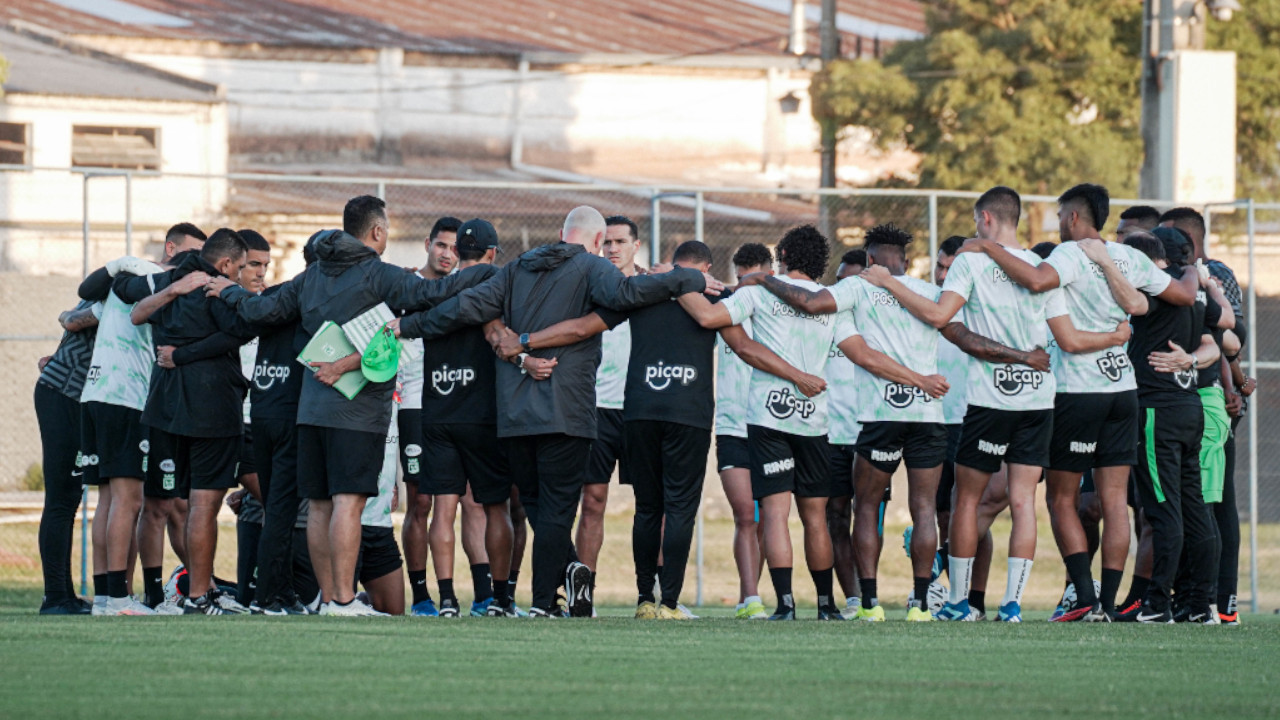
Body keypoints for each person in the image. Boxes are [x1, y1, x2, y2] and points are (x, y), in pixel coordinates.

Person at [389, 205, 717, 618]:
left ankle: (571, 574)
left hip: (514, 414)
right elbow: (628, 295)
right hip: (567, 409)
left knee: (538, 506)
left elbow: (466, 307)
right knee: (558, 509)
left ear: (563, 232)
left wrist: (410, 326)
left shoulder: (515, 268)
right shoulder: (591, 268)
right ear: (597, 241)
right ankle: (546, 602)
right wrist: (687, 277)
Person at [206, 196, 487, 616]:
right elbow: (435, 292)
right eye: (387, 229)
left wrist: (229, 292)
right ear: (376, 232)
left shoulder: (312, 274)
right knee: (348, 502)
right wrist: (485, 271)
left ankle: (326, 598)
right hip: (357, 414)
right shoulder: (380, 274)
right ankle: (341, 597)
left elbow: (264, 309)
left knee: (319, 503)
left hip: (310, 409)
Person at [958, 184, 1195, 621]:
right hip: (1123, 390)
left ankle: (1083, 596)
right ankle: (1106, 604)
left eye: (1059, 214)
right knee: (1114, 498)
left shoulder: (1067, 255)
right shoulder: (1128, 255)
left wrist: (986, 249)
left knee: (1061, 500)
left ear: (1071, 217)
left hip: (1077, 392)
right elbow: (1183, 295)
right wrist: (1194, 270)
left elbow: (1033, 280)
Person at [863, 187, 1059, 623]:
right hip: (1038, 396)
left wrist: (888, 282)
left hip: (991, 400)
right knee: (1024, 501)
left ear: (986, 218)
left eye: (976, 224)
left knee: (965, 500)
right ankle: (1012, 606)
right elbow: (1061, 333)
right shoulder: (1041, 267)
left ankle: (958, 603)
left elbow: (938, 316)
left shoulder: (972, 261)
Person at [753, 224, 952, 622]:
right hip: (928, 412)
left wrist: (764, 279)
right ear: (908, 261)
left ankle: (870, 604)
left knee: (864, 507)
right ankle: (920, 604)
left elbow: (809, 303)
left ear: (870, 260)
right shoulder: (930, 294)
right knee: (924, 509)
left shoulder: (859, 287)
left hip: (882, 415)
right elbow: (950, 323)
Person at [679, 225, 848, 621]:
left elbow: (707, 318)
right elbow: (860, 353)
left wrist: (677, 281)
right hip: (814, 419)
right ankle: (826, 606)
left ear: (783, 254)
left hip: (769, 417)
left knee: (774, 514)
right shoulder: (831, 302)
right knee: (815, 516)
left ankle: (785, 605)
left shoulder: (755, 293)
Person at [398, 219, 543, 617]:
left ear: (457, 253)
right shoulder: (494, 290)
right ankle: (499, 599)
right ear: (493, 254)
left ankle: (445, 599)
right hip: (481, 415)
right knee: (493, 507)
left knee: (441, 507)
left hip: (436, 410)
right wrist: (528, 360)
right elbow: (498, 338)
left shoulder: (432, 292)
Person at [116, 229, 254, 615]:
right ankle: (197, 595)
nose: (240, 275)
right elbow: (242, 330)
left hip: (164, 408)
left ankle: (160, 595)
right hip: (211, 409)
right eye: (241, 267)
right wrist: (188, 352)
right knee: (202, 506)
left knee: (159, 506)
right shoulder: (218, 287)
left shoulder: (171, 275)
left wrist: (179, 349)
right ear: (225, 264)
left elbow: (132, 302)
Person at [1105, 229, 1220, 622]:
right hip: (1189, 408)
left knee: (1163, 511)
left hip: (1157, 411)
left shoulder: (1154, 294)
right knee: (1194, 509)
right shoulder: (1193, 294)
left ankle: (1157, 604)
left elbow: (1131, 302)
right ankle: (1201, 605)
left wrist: (1105, 264)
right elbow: (1220, 336)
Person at [1159, 207, 1250, 623]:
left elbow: (1230, 335)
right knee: (1188, 503)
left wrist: (1231, 384)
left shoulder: (1211, 276)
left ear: (1183, 242)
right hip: (1184, 402)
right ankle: (1190, 598)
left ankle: (1216, 602)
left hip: (1204, 402)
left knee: (1212, 505)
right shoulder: (1165, 279)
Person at [577, 215, 646, 600]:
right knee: (592, 501)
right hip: (597, 408)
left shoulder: (654, 285)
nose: (614, 249)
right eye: (608, 243)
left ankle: (652, 596)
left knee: (651, 505)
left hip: (639, 409)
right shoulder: (587, 286)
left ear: (636, 246)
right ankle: (583, 593)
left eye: (621, 242)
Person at [403, 215, 462, 615]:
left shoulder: (464, 291)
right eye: (442, 245)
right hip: (409, 405)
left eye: (456, 248)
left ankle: (455, 594)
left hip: (451, 407)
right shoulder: (405, 284)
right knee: (419, 502)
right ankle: (421, 594)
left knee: (455, 504)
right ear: (428, 244)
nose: (447, 254)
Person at [715, 243, 773, 619]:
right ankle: (749, 596)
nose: (747, 286)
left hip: (772, 422)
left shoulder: (783, 308)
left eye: (756, 278)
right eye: (742, 279)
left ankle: (753, 594)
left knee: (769, 515)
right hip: (732, 424)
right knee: (745, 515)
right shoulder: (724, 308)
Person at [33, 301, 101, 614]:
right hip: (66, 395)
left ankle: (65, 595)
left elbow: (71, 318)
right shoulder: (133, 281)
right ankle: (56, 597)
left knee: (69, 498)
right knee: (62, 499)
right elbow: (72, 320)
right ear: (171, 247)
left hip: (79, 398)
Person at [824, 248, 869, 617]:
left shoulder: (878, 322)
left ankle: (870, 593)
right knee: (836, 518)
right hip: (829, 436)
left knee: (869, 516)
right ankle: (853, 598)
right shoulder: (824, 318)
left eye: (847, 282)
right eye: (836, 282)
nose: (839, 290)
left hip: (870, 434)